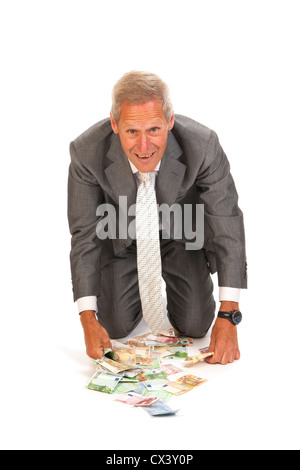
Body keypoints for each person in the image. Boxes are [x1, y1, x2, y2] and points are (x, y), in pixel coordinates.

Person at [67, 71, 247, 365]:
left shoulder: (203, 146)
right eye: (131, 132)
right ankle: (132, 292)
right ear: (114, 125)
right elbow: (84, 235)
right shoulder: (86, 152)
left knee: (196, 325)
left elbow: (227, 223)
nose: (144, 146)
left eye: (153, 129)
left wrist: (229, 314)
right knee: (115, 326)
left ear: (170, 121)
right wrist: (87, 318)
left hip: (180, 233)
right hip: (123, 236)